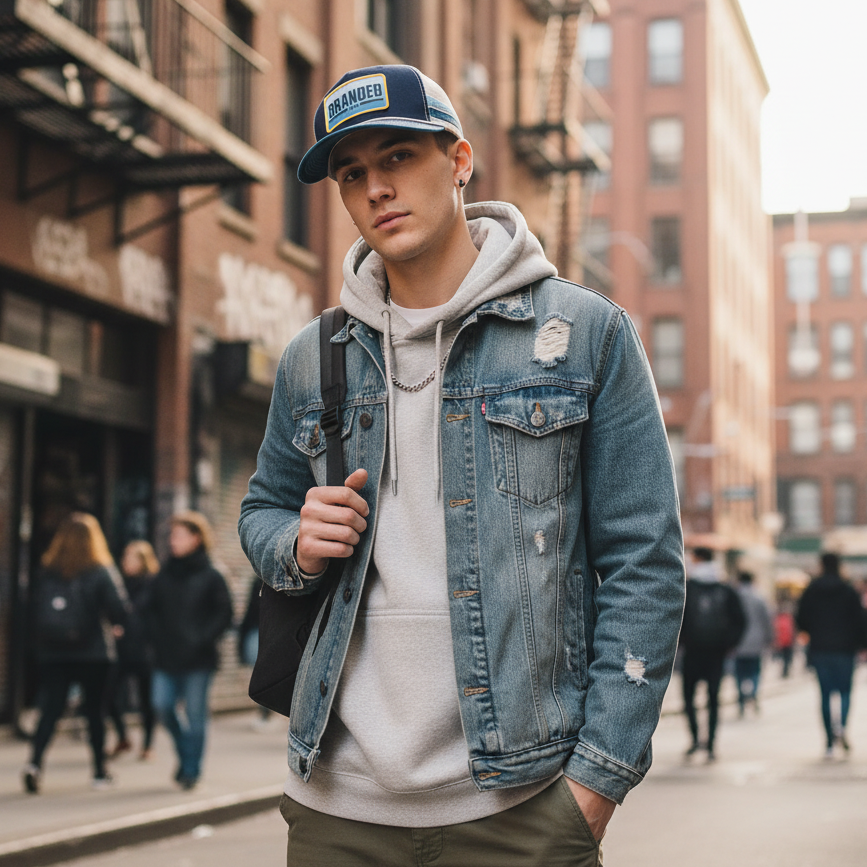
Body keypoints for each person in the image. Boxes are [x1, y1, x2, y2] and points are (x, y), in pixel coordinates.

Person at [238, 64, 685, 866]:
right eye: (351, 174)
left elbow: (643, 564)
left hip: (520, 806)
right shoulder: (316, 356)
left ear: (458, 160)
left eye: (397, 157)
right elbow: (262, 509)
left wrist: (596, 783)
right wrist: (294, 544)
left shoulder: (586, 335)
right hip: (336, 807)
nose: (375, 188)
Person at [22, 513, 128, 794]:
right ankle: (98, 772)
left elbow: (32, 610)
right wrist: (118, 627)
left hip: (53, 652)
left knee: (50, 711)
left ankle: (34, 764)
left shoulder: (46, 570)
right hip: (93, 653)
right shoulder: (101, 570)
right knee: (95, 713)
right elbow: (120, 610)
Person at [145, 511, 233, 789]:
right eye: (172, 535)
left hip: (198, 659)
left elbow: (225, 613)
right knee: (162, 706)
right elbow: (149, 609)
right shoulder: (164, 573)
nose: (173, 541)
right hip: (166, 657)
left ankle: (191, 770)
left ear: (196, 539)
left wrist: (202, 638)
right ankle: (186, 755)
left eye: (179, 535)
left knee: (196, 716)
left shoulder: (212, 574)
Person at [796, 552, 866, 758]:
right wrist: (862, 644)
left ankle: (828, 742)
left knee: (825, 695)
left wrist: (811, 633)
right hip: (845, 649)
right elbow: (860, 620)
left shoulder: (812, 590)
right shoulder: (848, 590)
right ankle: (841, 726)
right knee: (845, 692)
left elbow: (801, 618)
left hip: (820, 648)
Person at [679, 547, 745, 762]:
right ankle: (712, 744)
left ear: (697, 559)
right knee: (714, 699)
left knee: (689, 697)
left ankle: (695, 739)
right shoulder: (725, 588)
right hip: (717, 652)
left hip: (692, 651)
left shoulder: (688, 588)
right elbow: (740, 620)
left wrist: (681, 642)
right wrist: (730, 644)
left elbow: (676, 618)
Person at [106, 540, 159, 761]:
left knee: (146, 700)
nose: (126, 561)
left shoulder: (153, 585)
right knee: (108, 695)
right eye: (125, 557)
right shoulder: (118, 583)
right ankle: (122, 737)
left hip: (146, 649)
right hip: (121, 650)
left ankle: (147, 745)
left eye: (131, 557)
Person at [732, 571, 773, 716]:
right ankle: (754, 693)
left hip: (737, 641)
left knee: (739, 673)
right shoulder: (759, 598)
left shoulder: (734, 596)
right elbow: (767, 620)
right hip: (756, 641)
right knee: (755, 671)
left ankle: (741, 697)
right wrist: (769, 638)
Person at [237, 576, 272, 727]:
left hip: (274, 631)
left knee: (267, 673)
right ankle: (264, 711)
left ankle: (267, 711)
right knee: (261, 673)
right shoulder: (258, 581)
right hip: (257, 629)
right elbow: (250, 609)